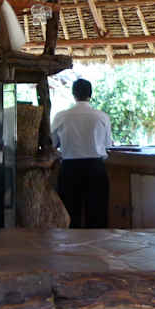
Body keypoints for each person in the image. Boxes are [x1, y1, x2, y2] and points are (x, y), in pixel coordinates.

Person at [51, 78, 113, 228]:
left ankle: (72, 251)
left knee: (70, 216)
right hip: (95, 168)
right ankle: (96, 250)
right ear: (90, 94)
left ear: (74, 94)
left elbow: (52, 144)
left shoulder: (61, 116)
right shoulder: (102, 117)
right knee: (97, 216)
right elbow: (107, 145)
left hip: (69, 169)